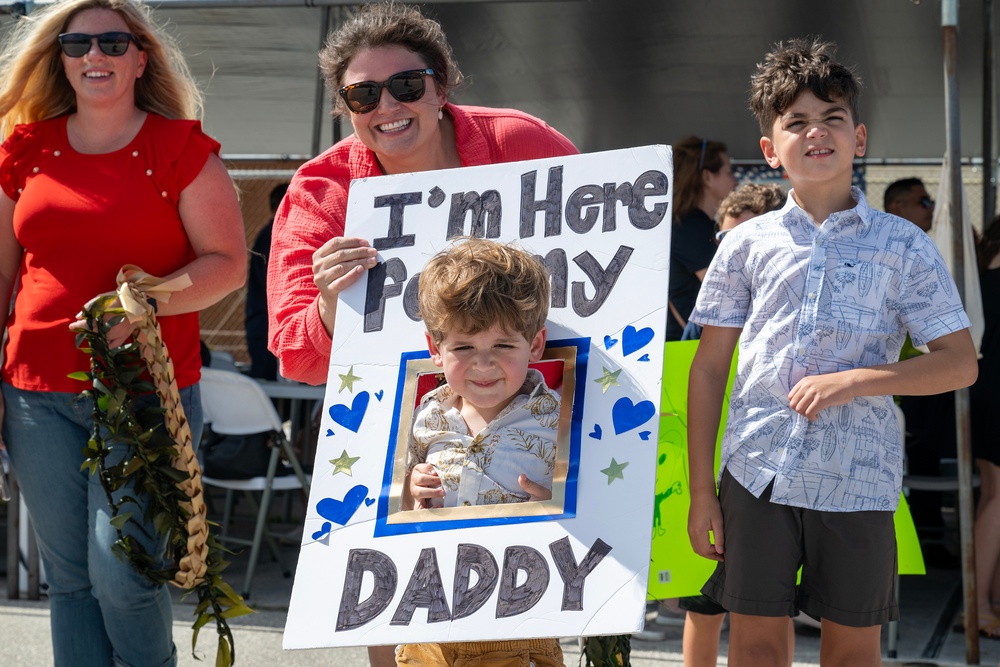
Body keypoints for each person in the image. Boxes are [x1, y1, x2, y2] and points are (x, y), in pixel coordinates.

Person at [264, 3, 577, 663]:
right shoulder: (321, 192)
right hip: (385, 425)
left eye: (406, 85)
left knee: (521, 622)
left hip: (520, 409)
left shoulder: (520, 142)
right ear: (345, 107)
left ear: (441, 86)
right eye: (363, 93)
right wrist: (329, 302)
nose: (388, 105)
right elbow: (295, 351)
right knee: (400, 614)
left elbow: (601, 254)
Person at [687, 37, 978, 667]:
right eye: (796, 122)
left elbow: (959, 362)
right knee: (758, 647)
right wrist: (702, 493)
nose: (815, 133)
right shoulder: (745, 244)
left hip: (861, 480)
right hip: (755, 471)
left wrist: (855, 381)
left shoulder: (905, 245)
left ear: (859, 137)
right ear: (770, 148)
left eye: (832, 118)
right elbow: (709, 369)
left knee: (851, 653)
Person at [0, 1, 247, 665]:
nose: (94, 56)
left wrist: (141, 307)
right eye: (78, 44)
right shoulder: (26, 148)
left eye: (113, 42)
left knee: (125, 569)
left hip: (144, 396)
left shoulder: (179, 149)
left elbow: (226, 262)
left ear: (141, 58)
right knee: (71, 580)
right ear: (62, 59)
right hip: (34, 394)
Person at [399, 236, 561, 664]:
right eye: (464, 348)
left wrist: (556, 503)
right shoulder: (425, 415)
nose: (484, 365)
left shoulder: (558, 420)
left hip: (519, 624)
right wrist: (414, 489)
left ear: (536, 345)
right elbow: (402, 503)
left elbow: (596, 511)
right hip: (430, 622)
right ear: (436, 350)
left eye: (503, 347)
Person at [678, 182, 789, 667]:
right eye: (723, 243)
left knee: (772, 613)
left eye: (743, 241)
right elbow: (685, 379)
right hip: (715, 476)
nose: (731, 256)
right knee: (703, 606)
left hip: (771, 478)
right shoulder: (707, 318)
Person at [884, 177, 959, 568]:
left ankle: (933, 540)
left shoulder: (930, 247)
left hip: (919, 387)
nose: (931, 208)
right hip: (893, 397)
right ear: (897, 207)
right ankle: (929, 542)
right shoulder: (886, 251)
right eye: (923, 201)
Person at [666, 135, 738, 342]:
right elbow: (727, 291)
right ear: (707, 177)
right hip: (687, 348)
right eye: (729, 172)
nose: (735, 181)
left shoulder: (683, 223)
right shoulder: (692, 228)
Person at [971, 217, 1000, 638]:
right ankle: (978, 605)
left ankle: (987, 601)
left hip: (984, 388)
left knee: (993, 494)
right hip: (994, 388)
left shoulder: (982, 265)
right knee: (996, 496)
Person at [246, 182, 289, 381]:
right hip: (268, 325)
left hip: (264, 323)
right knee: (270, 383)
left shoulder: (270, 233)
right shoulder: (275, 234)